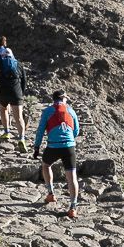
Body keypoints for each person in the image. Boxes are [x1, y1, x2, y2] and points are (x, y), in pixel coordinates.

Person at [31, 89, 81, 218]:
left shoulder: (47, 111)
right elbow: (76, 131)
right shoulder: (71, 111)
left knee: (46, 165)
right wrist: (68, 138)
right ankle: (73, 207)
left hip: (53, 146)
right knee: (72, 177)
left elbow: (40, 130)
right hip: (69, 147)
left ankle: (51, 193)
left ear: (53, 99)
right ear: (64, 99)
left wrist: (37, 147)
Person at [0, 37, 26, 142]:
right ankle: (22, 138)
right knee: (18, 117)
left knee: (4, 110)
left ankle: (6, 132)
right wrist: (21, 93)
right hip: (16, 90)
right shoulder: (18, 63)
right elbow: (24, 80)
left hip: (3, 90)